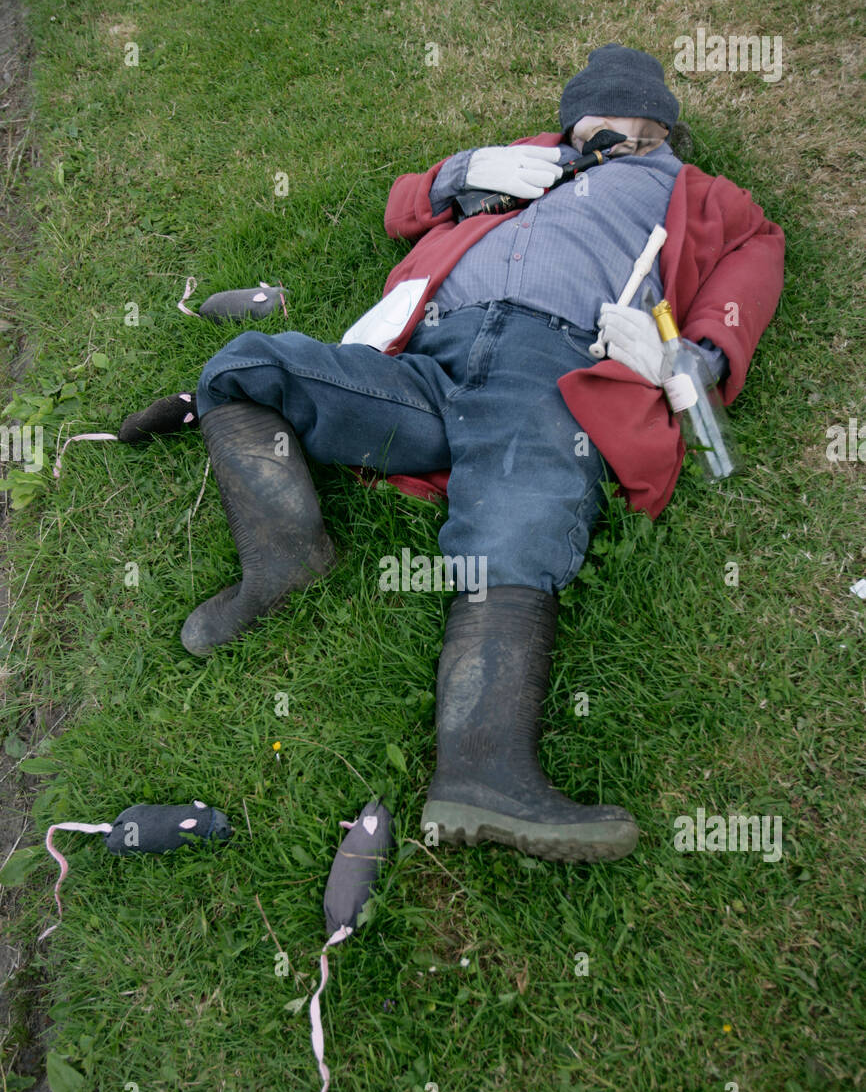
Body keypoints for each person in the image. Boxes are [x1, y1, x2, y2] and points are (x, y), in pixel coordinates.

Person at [119, 44, 784, 865]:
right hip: (425, 361)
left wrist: (692, 361)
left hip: (551, 369)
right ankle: (284, 558)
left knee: (521, 510)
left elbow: (746, 282)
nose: (600, 137)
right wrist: (462, 172)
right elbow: (402, 211)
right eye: (587, 123)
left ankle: (483, 773)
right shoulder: (529, 163)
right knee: (250, 366)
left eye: (622, 125)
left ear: (659, 128)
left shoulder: (708, 199)